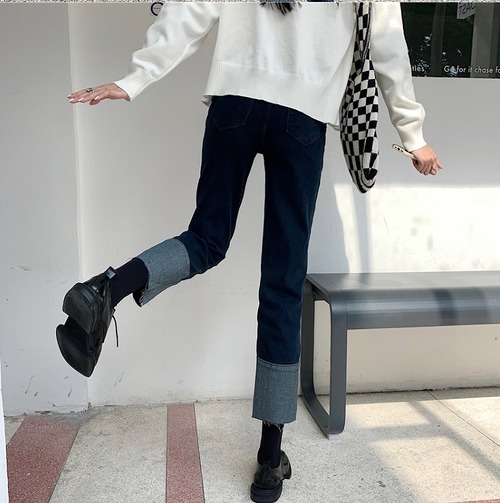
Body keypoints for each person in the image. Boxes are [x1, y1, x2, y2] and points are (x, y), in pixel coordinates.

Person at [59, 2, 442, 502]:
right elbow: (389, 47)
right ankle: (269, 459)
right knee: (283, 282)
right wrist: (413, 135)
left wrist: (136, 78)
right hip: (302, 119)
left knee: (205, 239)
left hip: (234, 106)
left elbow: (192, 9)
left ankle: (106, 288)